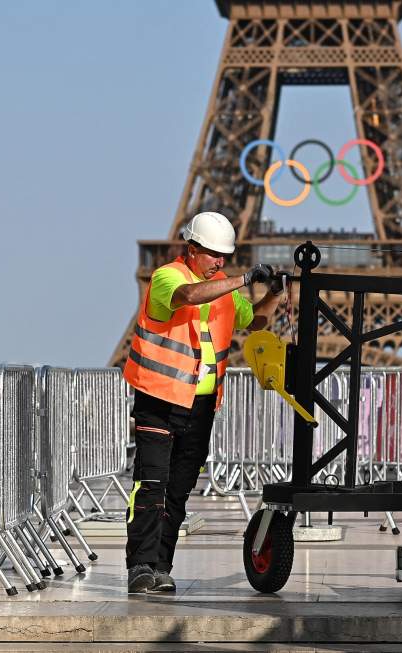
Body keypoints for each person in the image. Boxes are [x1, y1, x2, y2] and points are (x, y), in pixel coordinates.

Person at [122, 211, 283, 593]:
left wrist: (275, 293)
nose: (220, 261)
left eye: (224, 256)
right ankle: (139, 567)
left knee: (177, 490)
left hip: (200, 405)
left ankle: (161, 566)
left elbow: (256, 321)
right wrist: (244, 279)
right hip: (159, 399)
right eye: (213, 254)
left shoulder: (226, 296)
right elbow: (187, 297)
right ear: (192, 249)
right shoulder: (167, 277)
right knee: (151, 485)